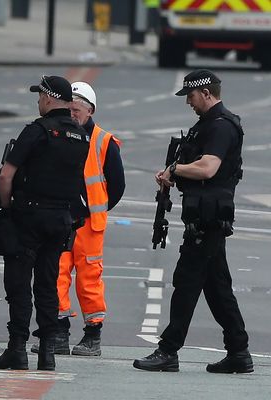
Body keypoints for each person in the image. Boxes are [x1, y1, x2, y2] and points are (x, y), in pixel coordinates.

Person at [133, 69, 253, 373]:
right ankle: (239, 352)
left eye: (191, 95)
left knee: (186, 282)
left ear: (207, 93)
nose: (188, 101)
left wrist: (174, 170)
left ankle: (168, 350)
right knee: (217, 287)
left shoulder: (221, 126)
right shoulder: (207, 125)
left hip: (209, 218)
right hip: (203, 215)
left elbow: (209, 168)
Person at [0, 75, 90, 371]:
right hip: (60, 221)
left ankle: (17, 349)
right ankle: (48, 353)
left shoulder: (37, 131)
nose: (38, 101)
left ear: (47, 98)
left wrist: (6, 208)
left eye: (39, 96)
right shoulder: (79, 135)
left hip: (27, 217)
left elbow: (6, 176)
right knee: (47, 285)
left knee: (19, 285)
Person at [31, 81, 125, 357]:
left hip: (88, 223)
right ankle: (58, 332)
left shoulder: (104, 142)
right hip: (60, 218)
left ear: (90, 110)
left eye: (76, 109)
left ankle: (92, 336)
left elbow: (117, 186)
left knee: (89, 279)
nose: (72, 114)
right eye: (69, 108)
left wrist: (97, 209)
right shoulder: (58, 132)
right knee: (56, 274)